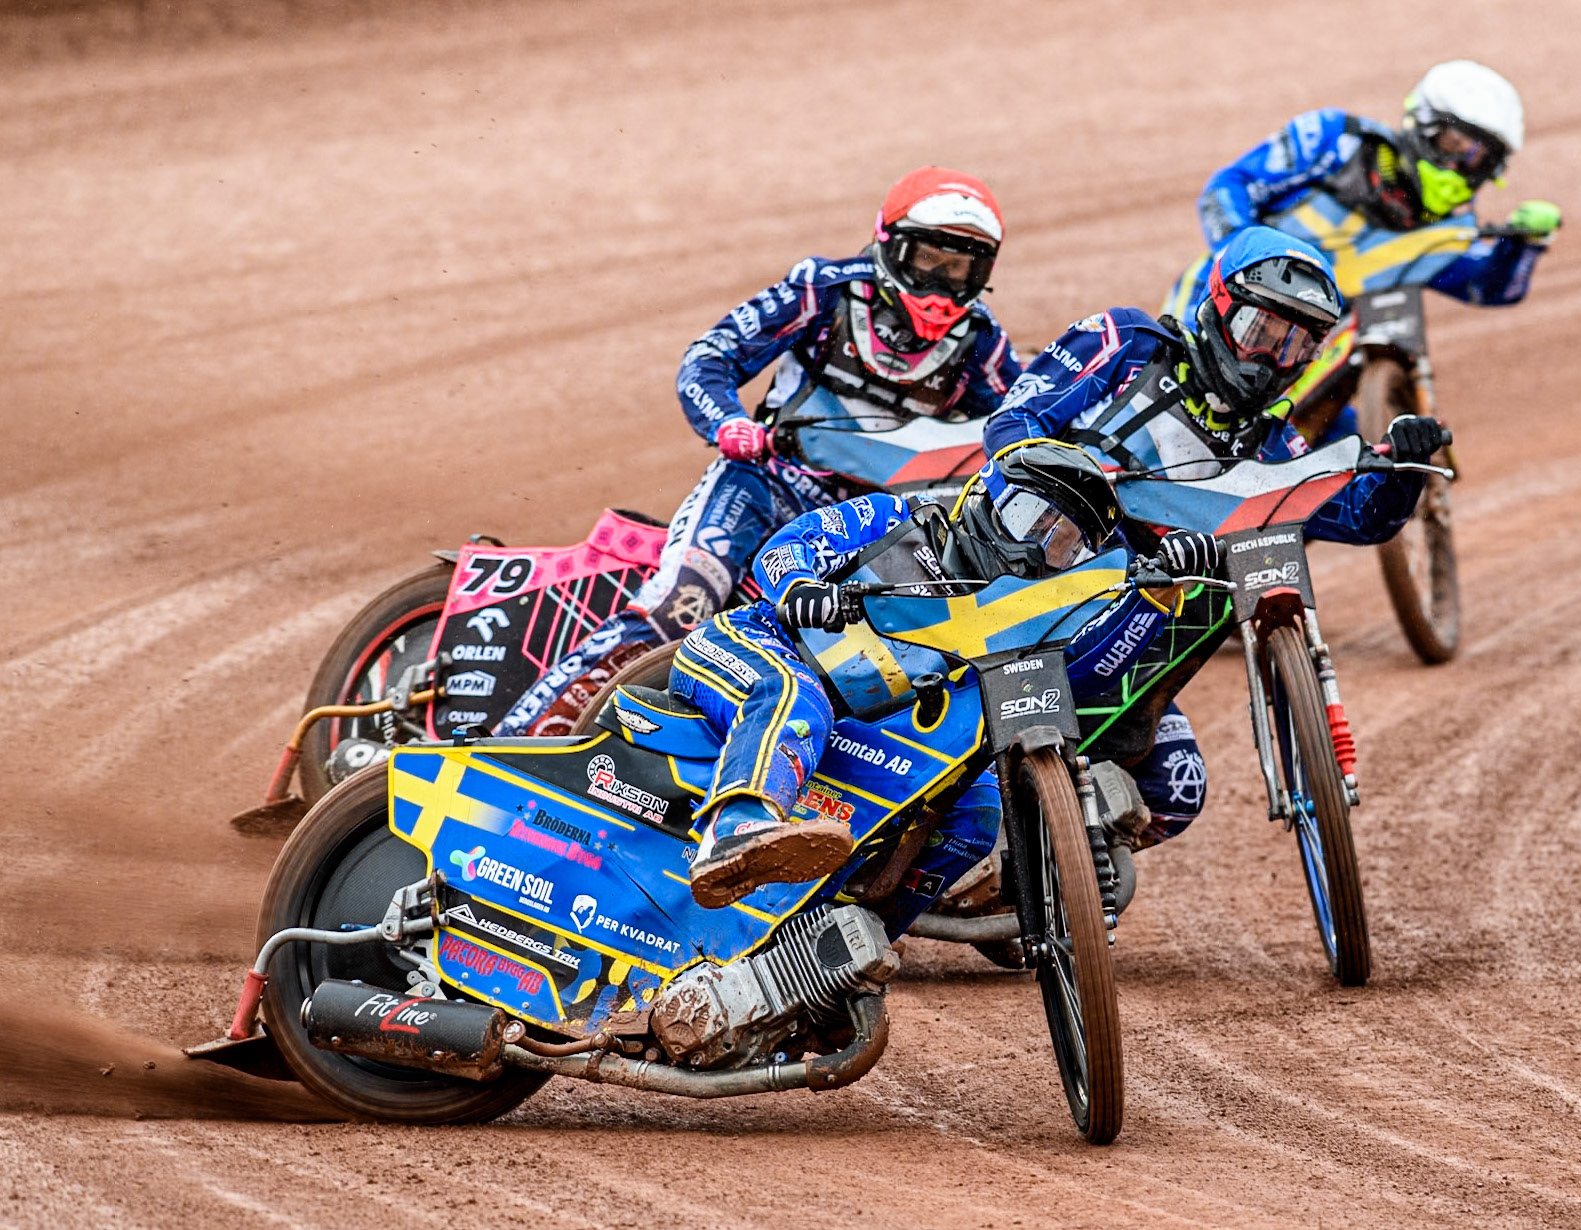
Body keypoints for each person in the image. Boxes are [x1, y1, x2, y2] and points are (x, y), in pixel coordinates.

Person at [496, 167, 1021, 736]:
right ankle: (518, 735)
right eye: (930, 261)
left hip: (862, 525)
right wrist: (729, 423)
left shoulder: (984, 343)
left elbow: (1012, 434)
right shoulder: (824, 289)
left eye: (961, 268)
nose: (942, 286)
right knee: (682, 602)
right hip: (765, 481)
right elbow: (710, 356)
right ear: (892, 244)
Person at [984, 229, 1449, 850]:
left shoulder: (1275, 444)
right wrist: (1072, 480)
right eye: (1262, 332)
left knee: (1178, 791)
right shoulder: (1126, 343)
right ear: (1220, 307)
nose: (1273, 360)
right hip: (1022, 596)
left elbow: (1363, 519)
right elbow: (1015, 421)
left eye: (1297, 345)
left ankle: (1057, 883)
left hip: (1133, 645)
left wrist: (1406, 472)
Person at [671, 440, 1221, 919]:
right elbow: (790, 545)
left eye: (1062, 543)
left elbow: (1079, 675)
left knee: (978, 813)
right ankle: (736, 829)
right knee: (798, 699)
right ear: (985, 493)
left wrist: (1152, 598)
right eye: (1031, 517)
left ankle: (842, 953)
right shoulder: (898, 517)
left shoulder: (1020, 622)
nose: (1036, 546)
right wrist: (798, 587)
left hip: (859, 732)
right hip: (751, 648)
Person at [1166, 60, 1561, 343]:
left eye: (1478, 157)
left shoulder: (1449, 234)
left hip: (1307, 362)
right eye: (1454, 142)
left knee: (1375, 455)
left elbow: (1488, 288)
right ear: (1423, 124)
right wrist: (1240, 255)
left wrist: (1523, 245)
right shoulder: (1335, 141)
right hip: (1216, 308)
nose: (1460, 163)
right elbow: (1229, 186)